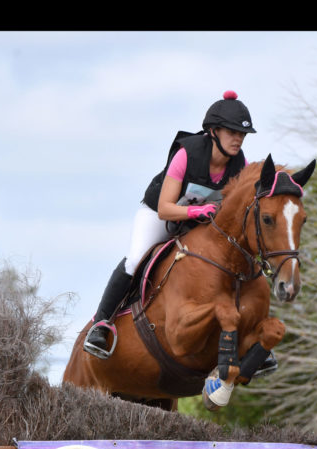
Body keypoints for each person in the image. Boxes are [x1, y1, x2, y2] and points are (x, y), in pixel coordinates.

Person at [83, 90, 257, 360]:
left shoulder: (239, 164)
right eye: (232, 132)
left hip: (198, 223)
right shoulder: (187, 154)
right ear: (213, 131)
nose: (238, 139)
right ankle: (102, 323)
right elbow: (165, 209)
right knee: (136, 258)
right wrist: (198, 210)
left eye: (242, 134)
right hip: (159, 214)